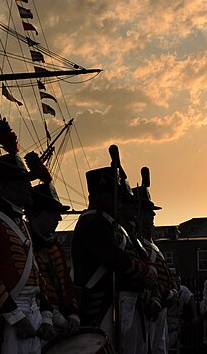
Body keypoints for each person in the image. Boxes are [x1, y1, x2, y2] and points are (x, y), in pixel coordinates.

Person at [0, 119, 54, 354]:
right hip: (7, 317)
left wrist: (46, 315)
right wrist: (16, 318)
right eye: (21, 183)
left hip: (33, 313)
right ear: (4, 187)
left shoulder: (21, 224)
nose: (29, 188)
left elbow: (37, 277)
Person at [71, 150, 157, 353]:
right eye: (115, 196)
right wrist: (145, 272)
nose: (120, 202)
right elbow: (115, 258)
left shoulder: (112, 225)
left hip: (120, 301)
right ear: (101, 196)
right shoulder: (93, 221)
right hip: (102, 305)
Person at [23, 167, 80, 339]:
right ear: (35, 215)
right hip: (38, 320)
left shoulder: (55, 247)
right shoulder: (25, 245)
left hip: (62, 319)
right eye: (52, 213)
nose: (59, 218)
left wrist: (72, 313)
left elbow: (66, 284)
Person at [133, 170, 174, 354]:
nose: (152, 217)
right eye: (148, 212)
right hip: (147, 305)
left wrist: (172, 289)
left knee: (159, 348)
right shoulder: (136, 242)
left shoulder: (151, 244)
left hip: (161, 304)